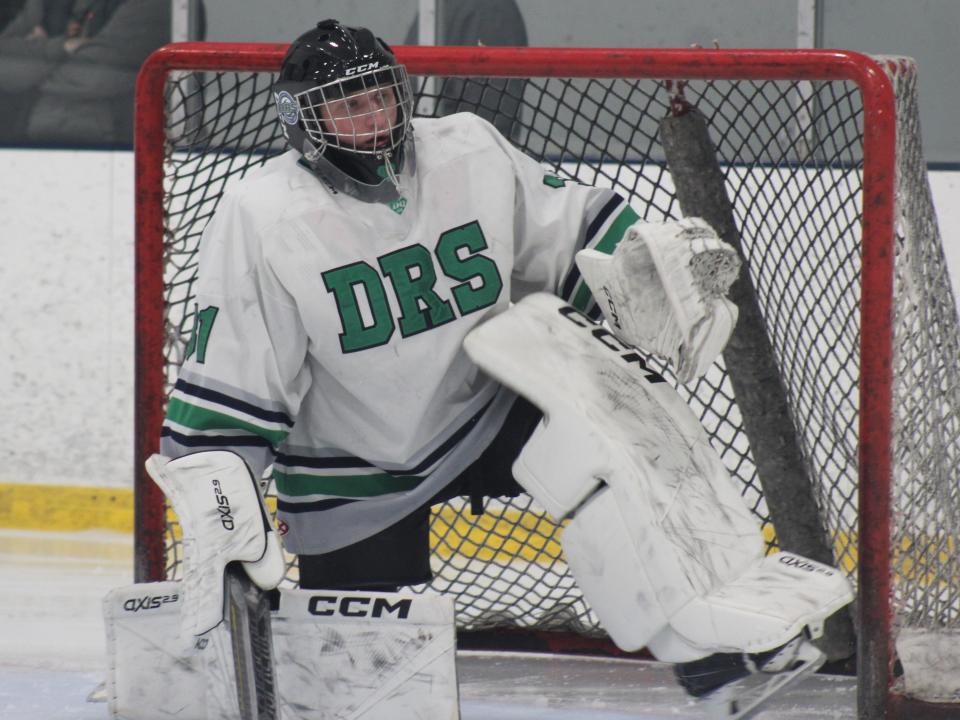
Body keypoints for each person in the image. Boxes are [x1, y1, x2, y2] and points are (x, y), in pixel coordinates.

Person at [158, 19, 852, 717]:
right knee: (368, 680)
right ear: (304, 123)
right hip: (354, 461)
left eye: (381, 97)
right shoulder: (264, 215)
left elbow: (573, 230)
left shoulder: (466, 147)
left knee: (618, 441)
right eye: (347, 107)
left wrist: (645, 277)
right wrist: (222, 510)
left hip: (485, 406)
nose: (372, 119)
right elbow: (233, 381)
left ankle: (717, 662)